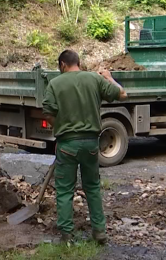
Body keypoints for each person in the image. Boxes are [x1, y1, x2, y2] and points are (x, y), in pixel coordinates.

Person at [42, 50, 127, 245]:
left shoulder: (56, 83)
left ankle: (67, 237)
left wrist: (61, 126)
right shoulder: (94, 80)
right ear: (78, 63)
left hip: (66, 144)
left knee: (64, 191)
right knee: (93, 188)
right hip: (90, 143)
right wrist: (110, 78)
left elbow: (47, 112)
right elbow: (123, 94)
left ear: (63, 64)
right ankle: (100, 233)